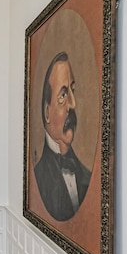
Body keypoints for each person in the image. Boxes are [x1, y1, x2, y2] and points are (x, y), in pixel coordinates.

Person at [34, 52, 91, 221]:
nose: (73, 104)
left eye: (72, 91)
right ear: (46, 113)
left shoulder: (86, 175)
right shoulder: (38, 179)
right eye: (63, 95)